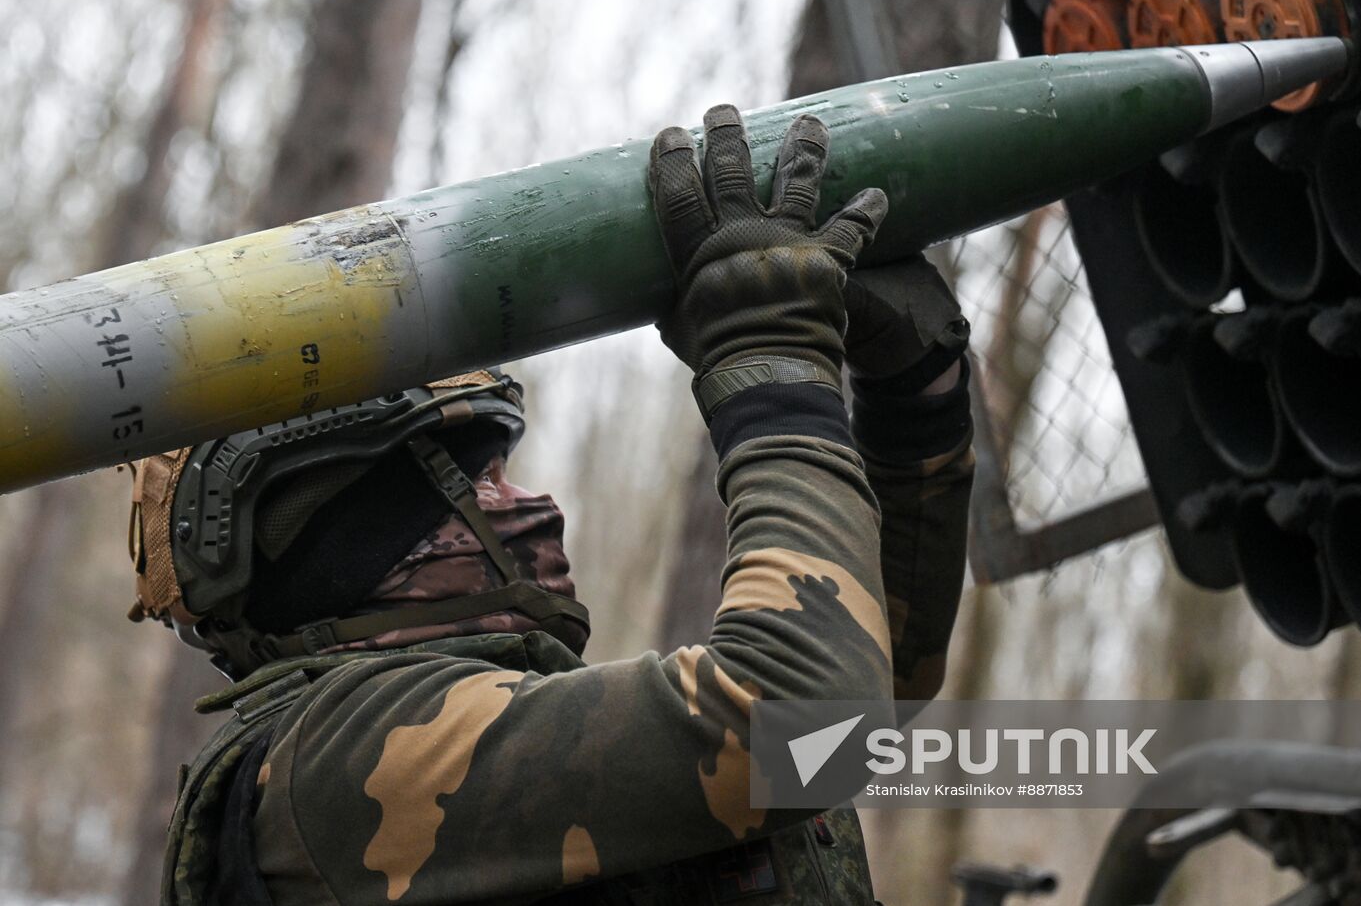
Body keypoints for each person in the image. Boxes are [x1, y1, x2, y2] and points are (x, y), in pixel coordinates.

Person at [128, 106, 974, 905]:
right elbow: (806, 709)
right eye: (477, 480)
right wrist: (775, 363)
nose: (536, 504)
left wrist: (913, 406)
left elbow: (867, 688)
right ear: (350, 548)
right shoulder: (333, 760)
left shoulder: (477, 718)